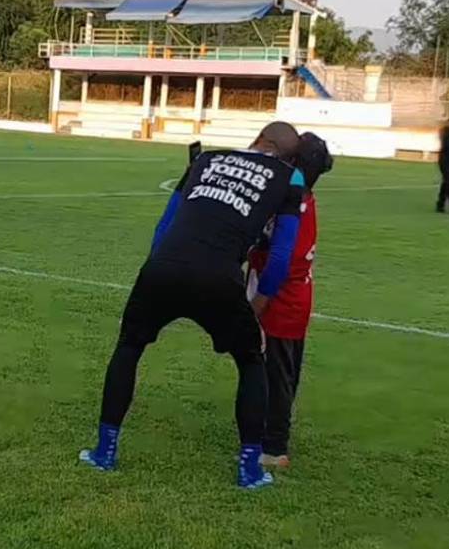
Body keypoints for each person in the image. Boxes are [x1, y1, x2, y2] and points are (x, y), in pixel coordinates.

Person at [79, 123, 307, 490]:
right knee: (251, 361)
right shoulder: (291, 177)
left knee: (129, 346)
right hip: (220, 276)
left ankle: (105, 452)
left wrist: (150, 282)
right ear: (287, 154)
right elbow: (281, 254)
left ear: (258, 139)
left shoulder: (206, 159)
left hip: (164, 266)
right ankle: (249, 469)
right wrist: (259, 304)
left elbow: (165, 225)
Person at [247, 133, 333, 470]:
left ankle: (275, 446)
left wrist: (257, 305)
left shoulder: (296, 207)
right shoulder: (295, 199)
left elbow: (283, 264)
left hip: (282, 305)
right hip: (283, 300)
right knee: (274, 371)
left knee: (279, 374)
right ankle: (263, 430)